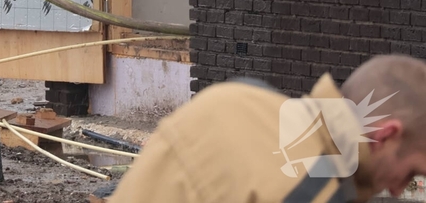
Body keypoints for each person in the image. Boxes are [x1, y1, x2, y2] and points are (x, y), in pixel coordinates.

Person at [106, 54, 426, 202]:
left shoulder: (239, 96)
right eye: (412, 172)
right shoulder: (313, 190)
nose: (398, 190)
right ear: (386, 135)